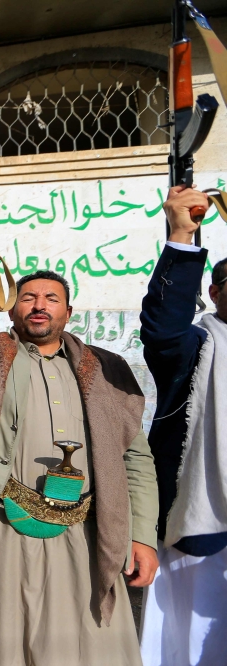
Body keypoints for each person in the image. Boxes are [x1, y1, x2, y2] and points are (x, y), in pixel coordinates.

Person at [0, 243, 159, 666]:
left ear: (68, 313)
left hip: (86, 529)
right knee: (5, 637)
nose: (39, 306)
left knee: (90, 642)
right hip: (5, 525)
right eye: (28, 298)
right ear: (12, 311)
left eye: (51, 299)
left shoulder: (106, 369)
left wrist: (142, 535)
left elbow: (135, 458)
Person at [138, 186, 227, 664]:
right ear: (215, 292)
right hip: (204, 529)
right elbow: (162, 326)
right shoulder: (194, 346)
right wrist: (181, 237)